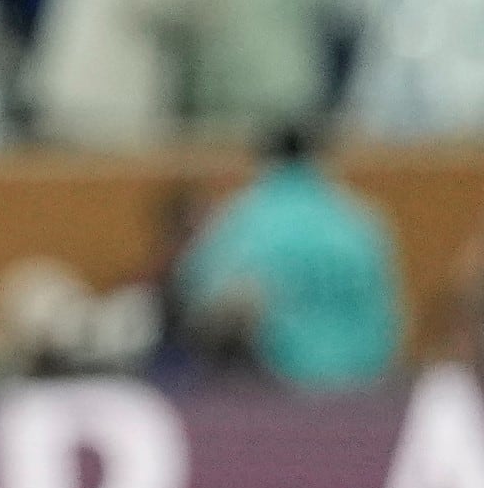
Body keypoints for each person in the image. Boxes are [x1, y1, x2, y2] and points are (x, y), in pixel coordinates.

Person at [171, 123, 402, 389]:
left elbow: (194, 295)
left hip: (278, 386)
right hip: (365, 378)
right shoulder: (364, 221)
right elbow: (392, 314)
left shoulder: (243, 220)